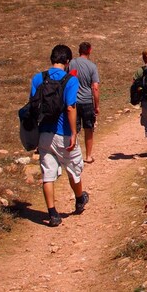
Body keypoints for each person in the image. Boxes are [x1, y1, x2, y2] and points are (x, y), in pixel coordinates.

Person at [32, 44, 89, 227]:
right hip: (63, 132)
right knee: (74, 168)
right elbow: (71, 107)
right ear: (67, 61)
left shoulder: (38, 78)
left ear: (51, 59)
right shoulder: (70, 80)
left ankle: (53, 214)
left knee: (48, 174)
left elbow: (33, 106)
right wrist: (73, 132)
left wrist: (34, 134)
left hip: (44, 133)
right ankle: (79, 199)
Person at [72, 42, 100, 164]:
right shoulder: (92, 66)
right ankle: (88, 156)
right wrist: (97, 106)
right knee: (88, 128)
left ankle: (74, 156)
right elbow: (95, 87)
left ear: (79, 50)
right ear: (89, 50)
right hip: (87, 101)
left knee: (74, 129)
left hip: (73, 101)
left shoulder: (72, 63)